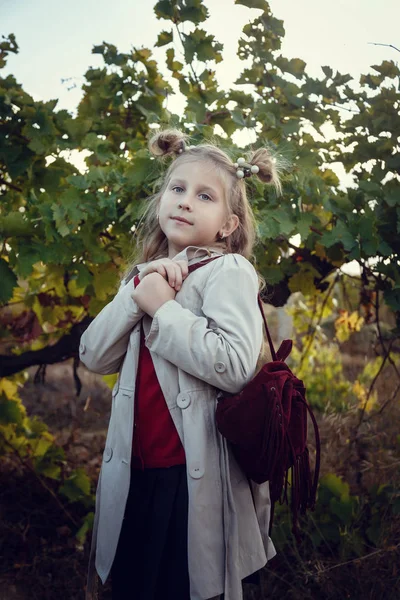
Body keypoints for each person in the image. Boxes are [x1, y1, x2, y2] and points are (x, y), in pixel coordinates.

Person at [79, 129, 282, 600]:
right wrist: (139, 295)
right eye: (177, 188)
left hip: (190, 479)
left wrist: (163, 310)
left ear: (228, 224)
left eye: (204, 195)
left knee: (183, 586)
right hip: (136, 473)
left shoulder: (228, 271)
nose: (185, 201)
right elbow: (93, 354)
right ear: (161, 201)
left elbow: (234, 364)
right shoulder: (141, 276)